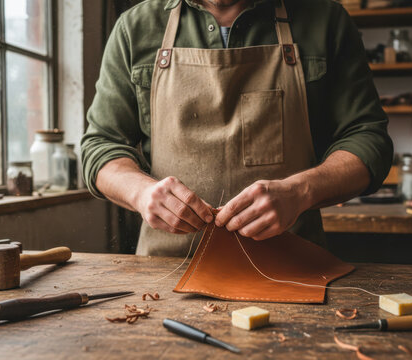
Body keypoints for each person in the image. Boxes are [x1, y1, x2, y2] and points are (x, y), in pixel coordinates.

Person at [81, 0, 393, 256]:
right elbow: (101, 146)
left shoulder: (325, 21)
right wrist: (141, 192)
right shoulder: (136, 29)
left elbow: (369, 140)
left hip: (293, 268)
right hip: (167, 274)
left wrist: (300, 192)